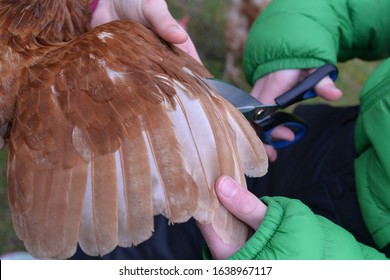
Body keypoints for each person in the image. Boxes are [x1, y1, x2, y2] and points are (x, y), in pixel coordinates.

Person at [71, 0, 389, 260]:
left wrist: (298, 259)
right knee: (173, 201)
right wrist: (300, 39)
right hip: (335, 144)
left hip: (343, 249)